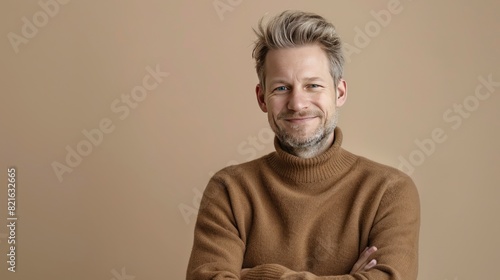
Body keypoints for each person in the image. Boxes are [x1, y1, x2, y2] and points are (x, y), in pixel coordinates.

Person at [187, 10, 420, 279]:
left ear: (340, 92)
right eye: (281, 88)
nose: (297, 104)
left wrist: (256, 275)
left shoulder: (388, 191)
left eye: (313, 85)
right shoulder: (229, 190)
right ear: (262, 98)